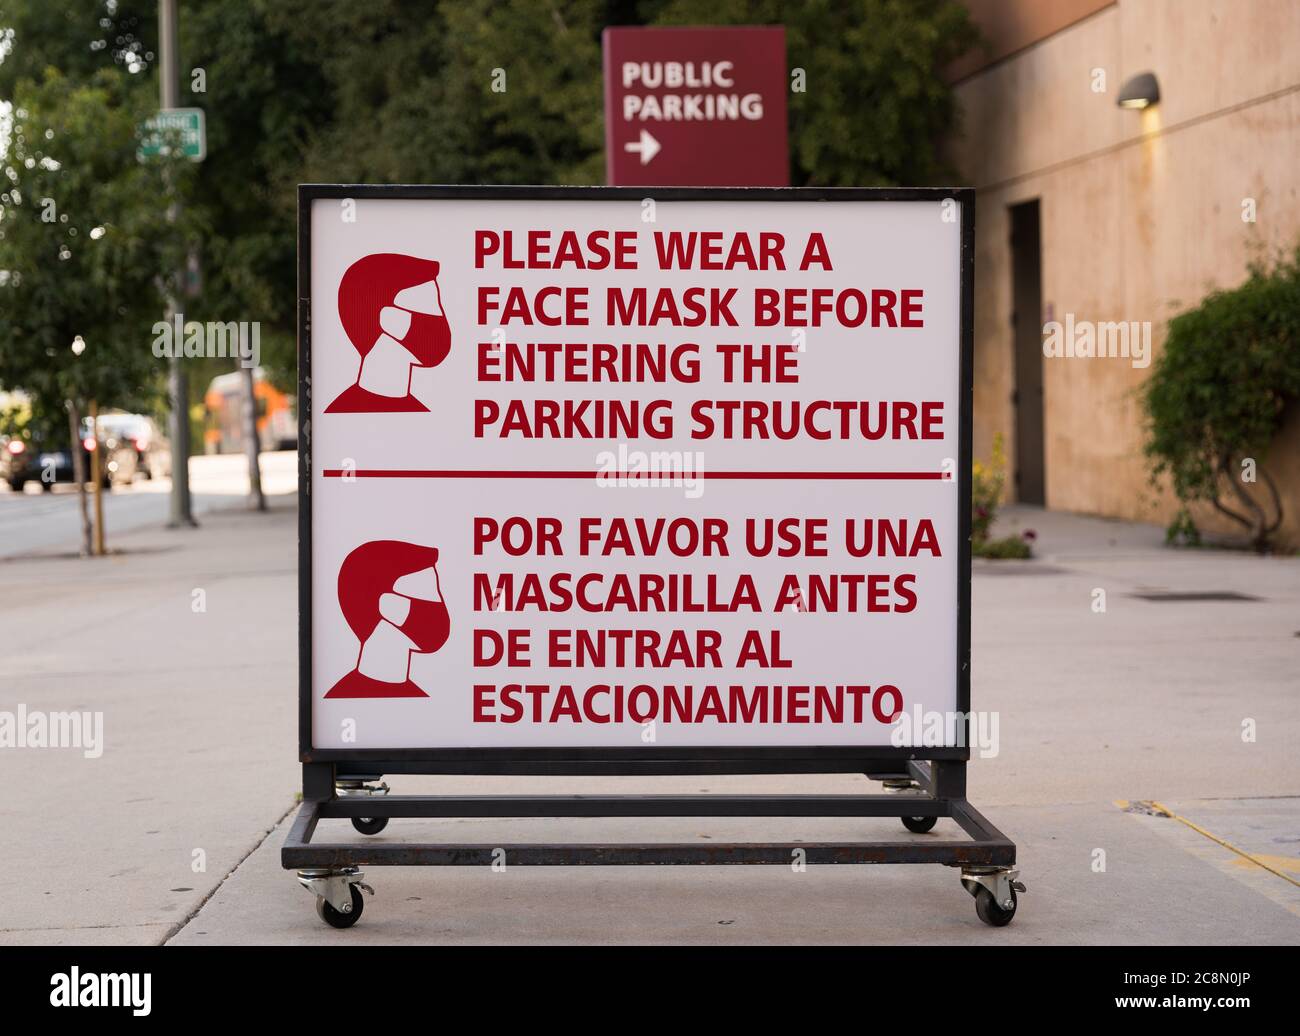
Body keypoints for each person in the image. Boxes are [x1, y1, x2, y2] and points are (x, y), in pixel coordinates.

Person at [325, 253, 452, 413]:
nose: (439, 322)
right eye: (428, 309)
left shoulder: (421, 412)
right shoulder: (343, 414)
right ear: (389, 319)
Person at [326, 540, 450, 698]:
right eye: (426, 595)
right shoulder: (343, 698)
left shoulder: (421, 697)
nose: (438, 607)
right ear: (387, 606)